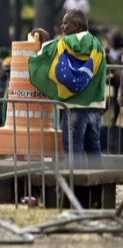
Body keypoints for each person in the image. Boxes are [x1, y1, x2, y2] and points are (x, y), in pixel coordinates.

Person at [29, 9, 106, 167]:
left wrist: (45, 39)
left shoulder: (66, 43)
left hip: (73, 107)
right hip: (95, 107)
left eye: (65, 23)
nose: (62, 27)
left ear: (77, 26)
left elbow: (46, 53)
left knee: (73, 150)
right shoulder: (98, 47)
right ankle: (98, 189)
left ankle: (75, 187)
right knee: (94, 149)